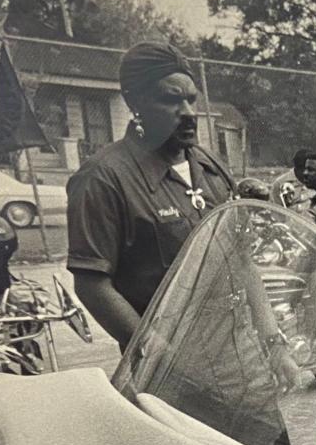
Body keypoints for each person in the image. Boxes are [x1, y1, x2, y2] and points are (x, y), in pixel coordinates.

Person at [66, 41, 234, 350]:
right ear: (135, 102)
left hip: (239, 352)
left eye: (191, 100)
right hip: (170, 359)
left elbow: (240, 258)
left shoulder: (210, 165)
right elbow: (91, 284)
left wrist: (273, 342)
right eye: (171, 100)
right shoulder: (103, 177)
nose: (188, 113)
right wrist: (156, 354)